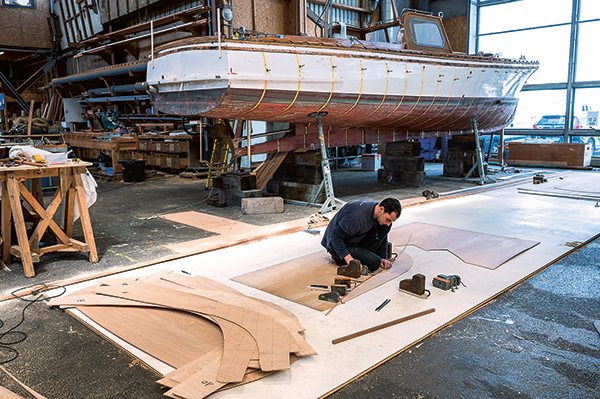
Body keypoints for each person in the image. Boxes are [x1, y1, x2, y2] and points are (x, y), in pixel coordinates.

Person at [321, 197, 402, 275]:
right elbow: (335, 236)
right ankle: (340, 259)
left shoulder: (377, 212)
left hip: (354, 237)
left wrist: (383, 257)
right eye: (388, 219)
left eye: (391, 221)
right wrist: (350, 261)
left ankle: (366, 254)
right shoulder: (356, 217)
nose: (389, 223)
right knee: (375, 263)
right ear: (381, 209)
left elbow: (382, 236)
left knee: (384, 226)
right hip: (337, 245)